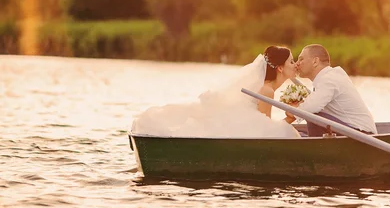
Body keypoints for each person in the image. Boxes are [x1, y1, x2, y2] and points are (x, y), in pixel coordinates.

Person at [130, 46, 300, 138]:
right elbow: (266, 131)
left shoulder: (267, 88)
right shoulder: (267, 91)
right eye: (292, 62)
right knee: (285, 132)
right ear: (279, 68)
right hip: (245, 126)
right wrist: (289, 119)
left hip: (244, 121)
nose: (295, 65)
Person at [290, 44, 377, 136]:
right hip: (353, 130)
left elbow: (312, 107)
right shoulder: (328, 76)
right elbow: (312, 99)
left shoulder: (329, 79)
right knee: (307, 122)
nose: (297, 63)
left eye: (301, 59)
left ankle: (315, 146)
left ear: (315, 61)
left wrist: (291, 114)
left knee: (313, 115)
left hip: (363, 134)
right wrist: (290, 76)